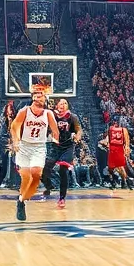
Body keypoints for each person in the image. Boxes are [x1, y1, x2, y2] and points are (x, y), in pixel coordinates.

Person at [10, 88, 61, 221]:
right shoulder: (24, 111)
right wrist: (15, 141)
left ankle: (21, 200)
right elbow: (14, 126)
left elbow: (55, 131)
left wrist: (56, 138)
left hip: (39, 147)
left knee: (36, 174)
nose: (41, 97)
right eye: (39, 95)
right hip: (24, 146)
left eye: (43, 95)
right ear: (34, 98)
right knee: (26, 179)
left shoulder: (48, 113)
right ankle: (21, 202)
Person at [47, 97, 81, 208]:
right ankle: (49, 186)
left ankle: (62, 198)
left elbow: (79, 130)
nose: (63, 105)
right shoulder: (52, 116)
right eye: (61, 103)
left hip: (67, 146)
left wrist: (77, 137)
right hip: (55, 146)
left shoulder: (72, 117)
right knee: (45, 168)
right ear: (57, 106)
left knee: (63, 171)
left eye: (65, 103)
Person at [105, 119, 132, 189]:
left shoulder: (123, 129)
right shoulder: (110, 129)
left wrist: (127, 147)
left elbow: (127, 139)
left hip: (119, 148)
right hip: (112, 148)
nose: (115, 123)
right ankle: (113, 181)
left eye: (116, 121)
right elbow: (108, 138)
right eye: (114, 121)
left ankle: (124, 181)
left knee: (120, 166)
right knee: (110, 167)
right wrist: (107, 143)